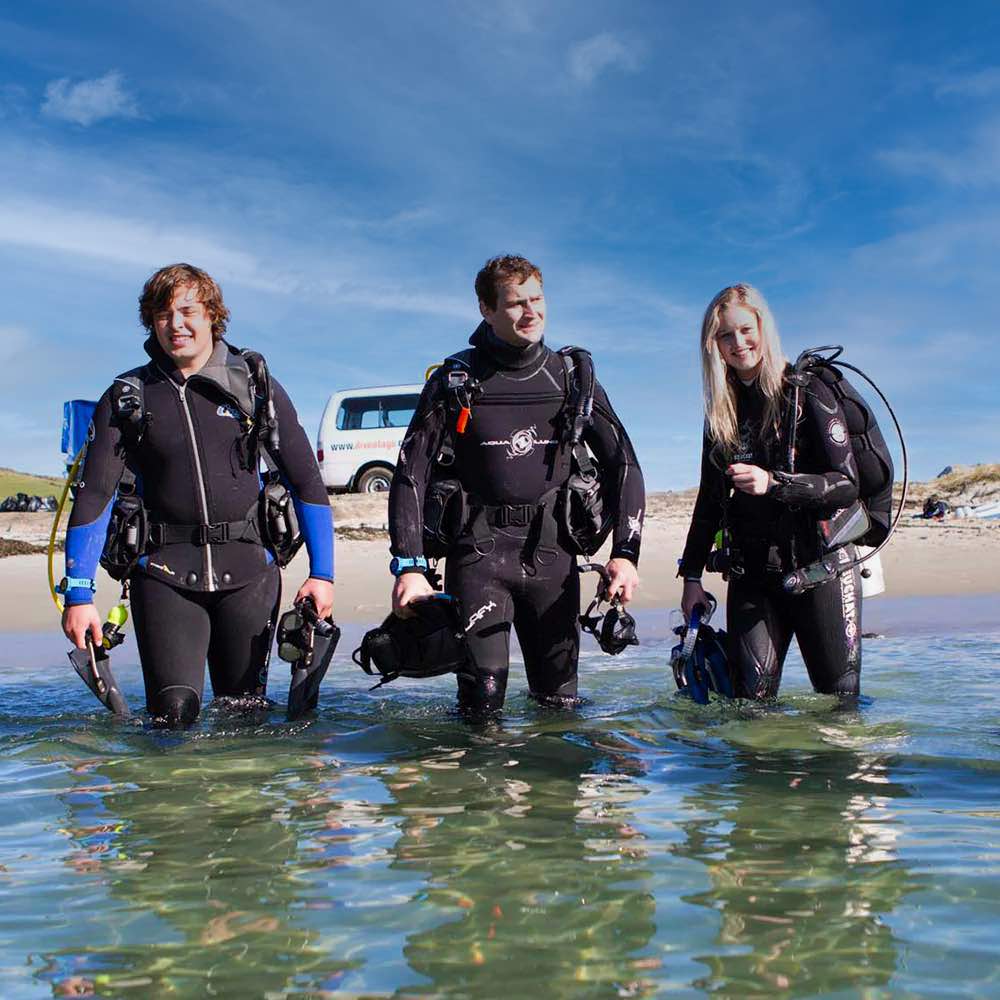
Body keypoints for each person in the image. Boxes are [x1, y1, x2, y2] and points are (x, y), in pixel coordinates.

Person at [61, 263, 334, 724]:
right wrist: (79, 595)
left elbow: (306, 481)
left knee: (244, 719)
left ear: (212, 315)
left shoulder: (254, 384)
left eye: (187, 311)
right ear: (151, 321)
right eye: (162, 314)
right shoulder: (129, 396)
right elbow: (95, 497)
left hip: (250, 573)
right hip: (164, 575)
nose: (176, 325)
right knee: (171, 717)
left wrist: (322, 574)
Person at [387, 254, 644, 716]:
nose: (531, 312)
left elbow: (624, 463)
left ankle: (551, 790)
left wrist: (625, 555)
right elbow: (410, 473)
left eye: (537, 299)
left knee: (560, 705)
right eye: (515, 303)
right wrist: (409, 565)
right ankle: (481, 789)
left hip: (552, 556)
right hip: (479, 557)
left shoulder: (569, 376)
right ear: (486, 309)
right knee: (481, 706)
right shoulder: (455, 380)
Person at [678, 283, 862, 700]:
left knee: (840, 704)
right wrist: (691, 577)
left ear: (763, 327)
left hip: (823, 569)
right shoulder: (721, 414)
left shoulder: (808, 390)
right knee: (750, 710)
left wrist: (775, 484)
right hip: (754, 575)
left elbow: (847, 483)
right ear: (714, 345)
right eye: (726, 335)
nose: (738, 342)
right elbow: (709, 502)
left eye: (746, 329)